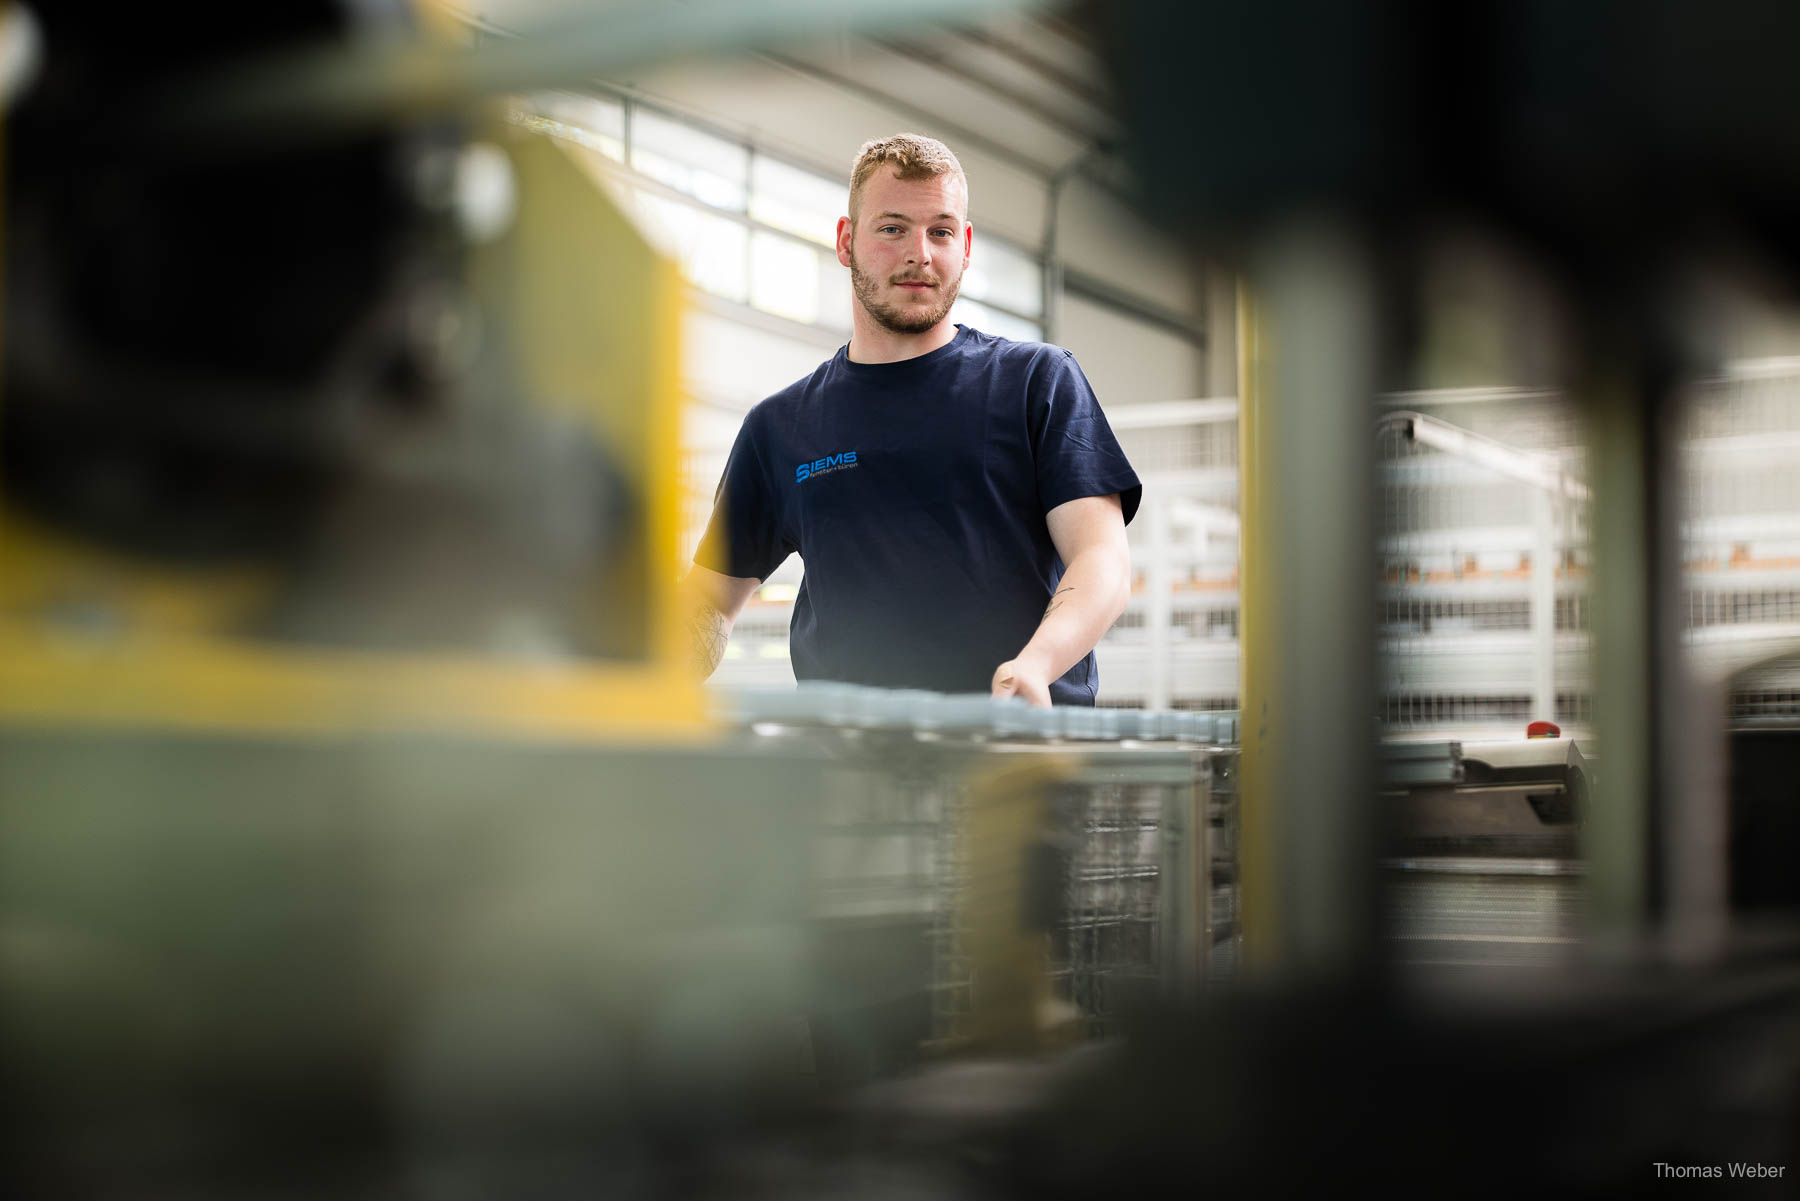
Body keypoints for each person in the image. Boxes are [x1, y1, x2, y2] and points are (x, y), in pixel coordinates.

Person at [683, 133, 1140, 707]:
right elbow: (708, 604)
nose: (920, 253)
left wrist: (1034, 666)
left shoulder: (1035, 383)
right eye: (893, 228)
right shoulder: (781, 427)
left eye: (940, 232)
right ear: (847, 241)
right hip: (851, 773)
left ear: (966, 246)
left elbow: (1102, 559)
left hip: (1017, 758)